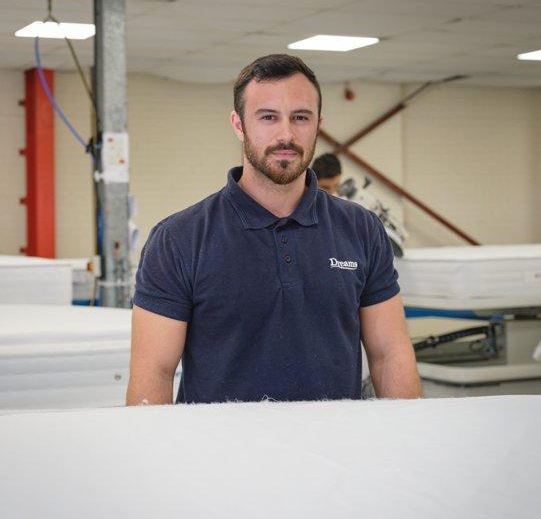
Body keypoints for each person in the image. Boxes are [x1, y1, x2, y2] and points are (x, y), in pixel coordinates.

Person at [127, 54, 422, 405]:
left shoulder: (361, 230)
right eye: (268, 117)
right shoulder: (179, 239)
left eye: (300, 117)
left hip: (337, 453)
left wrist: (408, 442)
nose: (286, 134)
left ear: (318, 124)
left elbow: (390, 354)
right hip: (217, 456)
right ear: (238, 125)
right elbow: (153, 373)